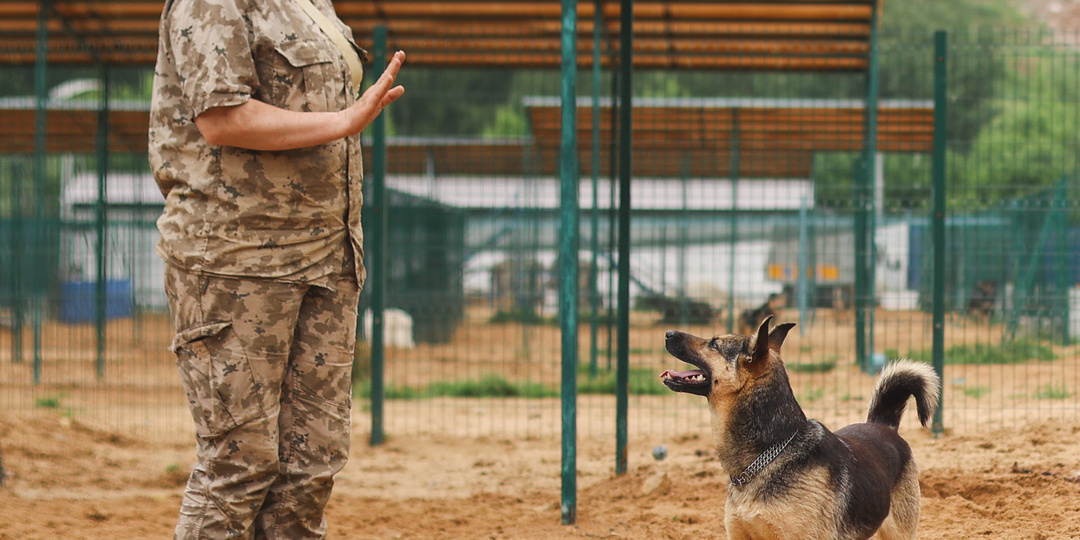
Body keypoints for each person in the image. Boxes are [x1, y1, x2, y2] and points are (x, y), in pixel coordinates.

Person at [148, 0, 405, 537]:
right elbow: (220, 117)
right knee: (239, 465)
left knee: (310, 468)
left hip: (327, 256)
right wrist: (343, 121)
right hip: (236, 261)